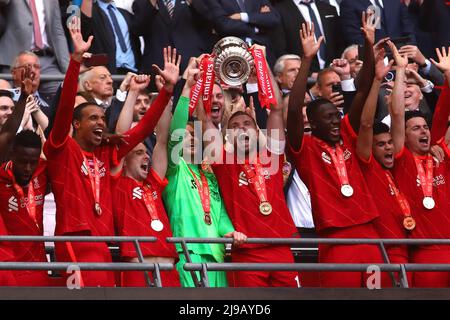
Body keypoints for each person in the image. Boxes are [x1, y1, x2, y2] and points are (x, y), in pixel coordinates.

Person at [43, 19, 178, 287]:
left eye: (102, 119)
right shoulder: (62, 147)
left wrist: (166, 92)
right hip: (73, 243)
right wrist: (75, 62)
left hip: (103, 245)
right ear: (76, 125)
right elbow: (65, 106)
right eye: (93, 118)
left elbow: (143, 130)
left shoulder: (106, 153)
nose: (101, 123)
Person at [286, 15, 388, 288]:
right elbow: (294, 109)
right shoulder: (304, 149)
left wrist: (368, 43)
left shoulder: (346, 136)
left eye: (336, 115)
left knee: (376, 295)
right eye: (328, 118)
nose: (335, 121)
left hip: (369, 236)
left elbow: (364, 88)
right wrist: (307, 60)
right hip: (335, 239)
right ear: (314, 123)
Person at [197, 45, 299, 288]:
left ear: (257, 131)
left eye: (247, 124)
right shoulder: (224, 161)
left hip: (280, 246)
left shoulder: (273, 154)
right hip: (247, 249)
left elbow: (276, 107)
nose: (242, 128)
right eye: (235, 126)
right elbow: (202, 117)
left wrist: (261, 61)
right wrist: (205, 73)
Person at [163, 58, 246, 288]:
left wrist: (230, 232)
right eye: (186, 137)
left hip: (217, 254)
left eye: (195, 137)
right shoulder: (175, 170)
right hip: (188, 252)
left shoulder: (209, 174)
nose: (190, 140)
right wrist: (188, 88)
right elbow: (176, 130)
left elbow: (219, 215)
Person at [391, 47, 450, 288]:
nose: (424, 131)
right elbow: (396, 114)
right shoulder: (400, 158)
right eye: (416, 128)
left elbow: (443, 114)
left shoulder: (440, 155)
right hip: (422, 251)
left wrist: (448, 77)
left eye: (425, 127)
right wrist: (401, 72)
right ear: (404, 136)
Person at [355, 41, 411, 286]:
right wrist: (376, 81)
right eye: (381, 144)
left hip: (407, 249)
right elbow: (366, 125)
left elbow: (399, 116)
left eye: (389, 143)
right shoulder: (366, 165)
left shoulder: (398, 163)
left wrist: (400, 71)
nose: (388, 147)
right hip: (377, 253)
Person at [114, 91, 180, 287]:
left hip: (169, 269)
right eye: (139, 152)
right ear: (124, 161)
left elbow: (161, 140)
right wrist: (133, 92)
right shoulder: (118, 185)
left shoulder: (153, 183)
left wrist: (166, 93)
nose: (146, 157)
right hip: (137, 269)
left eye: (146, 152)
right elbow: (121, 137)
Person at [0, 0, 70, 96]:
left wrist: (67, 69)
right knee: (11, 99)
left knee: (65, 94)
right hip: (15, 59)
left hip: (46, 60)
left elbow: (57, 31)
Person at [131, 0, 214, 74]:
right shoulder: (142, 3)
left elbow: (210, 20)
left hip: (192, 64)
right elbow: (138, 30)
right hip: (158, 67)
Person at [273, 0, 344, 73]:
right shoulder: (279, 10)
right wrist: (308, 74)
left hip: (333, 73)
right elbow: (280, 50)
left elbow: (339, 43)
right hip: (301, 76)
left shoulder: (329, 8)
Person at [80, 0, 141, 74]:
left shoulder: (126, 14)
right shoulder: (92, 12)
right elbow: (84, 26)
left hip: (133, 72)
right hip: (107, 73)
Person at [340, 0, 415, 46]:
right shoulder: (349, 3)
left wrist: (410, 52)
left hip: (402, 58)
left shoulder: (396, 1)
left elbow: (408, 29)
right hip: (375, 62)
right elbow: (355, 39)